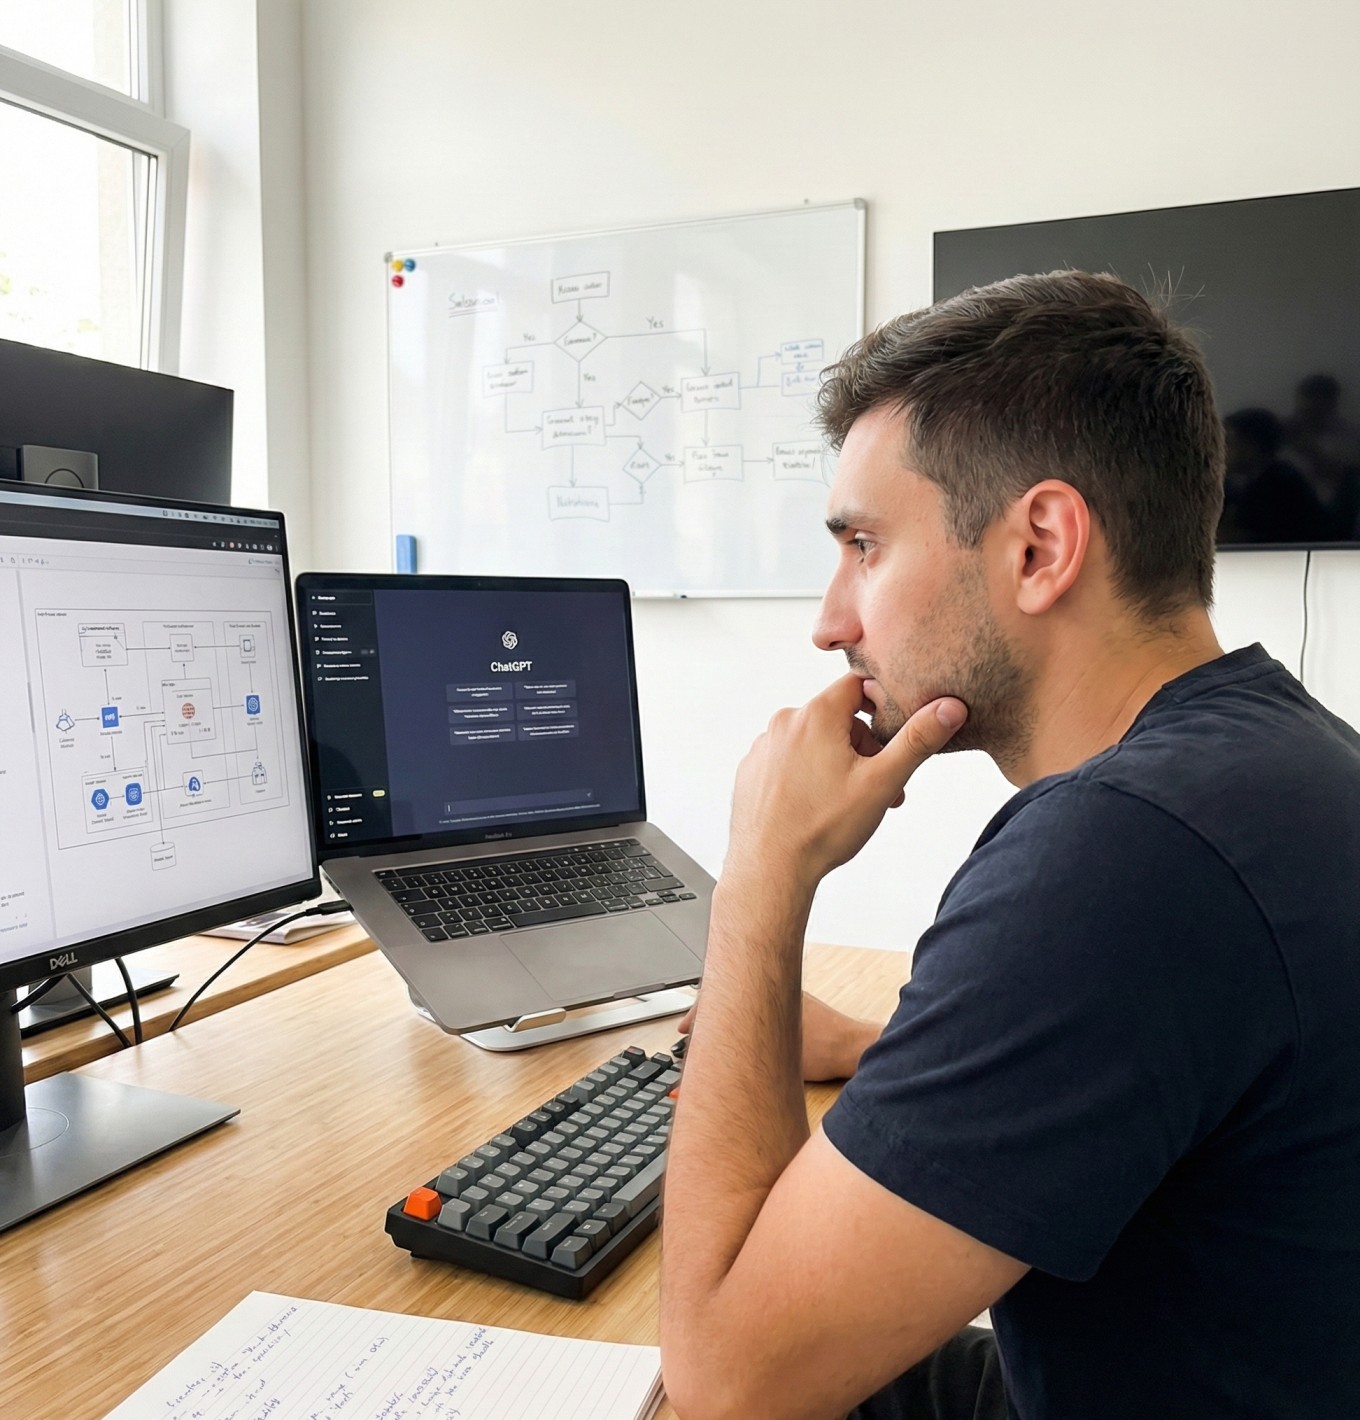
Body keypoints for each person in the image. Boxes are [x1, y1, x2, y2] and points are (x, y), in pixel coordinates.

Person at [658, 270, 1360, 1419]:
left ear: (1039, 546)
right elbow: (1159, 1061)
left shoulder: (1118, 854)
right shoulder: (1274, 755)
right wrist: (882, 1047)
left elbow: (730, 1385)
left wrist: (761, 873)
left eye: (864, 545)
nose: (830, 621)